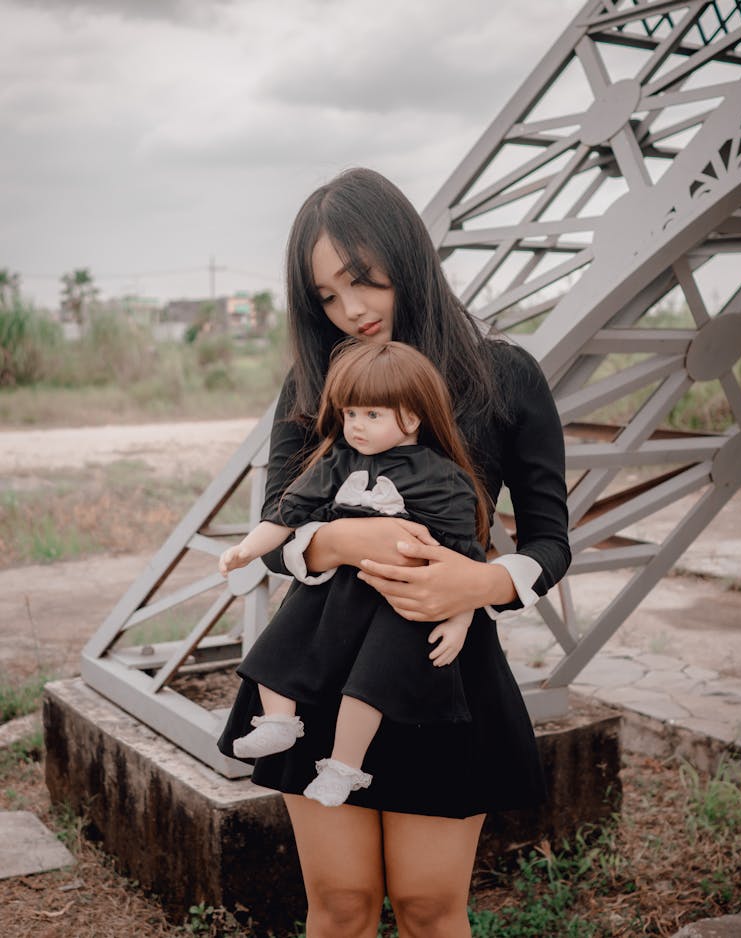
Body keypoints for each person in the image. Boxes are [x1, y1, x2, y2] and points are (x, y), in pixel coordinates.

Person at [217, 167, 570, 938]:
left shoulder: (502, 376)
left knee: (428, 907)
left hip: (443, 676)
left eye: (363, 282)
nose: (351, 311)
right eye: (327, 297)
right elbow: (280, 536)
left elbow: (550, 542)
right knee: (340, 906)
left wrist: (480, 583)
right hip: (322, 664)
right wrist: (344, 539)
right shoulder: (313, 382)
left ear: (405, 256)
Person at [218, 339, 488, 808]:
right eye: (351, 414)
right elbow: (287, 515)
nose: (357, 426)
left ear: (414, 415)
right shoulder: (338, 462)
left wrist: (458, 618)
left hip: (399, 603)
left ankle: (344, 766)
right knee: (278, 646)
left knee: (369, 686)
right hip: (333, 593)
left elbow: (465, 557)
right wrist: (246, 548)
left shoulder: (443, 478)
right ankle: (279, 722)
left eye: (373, 415)